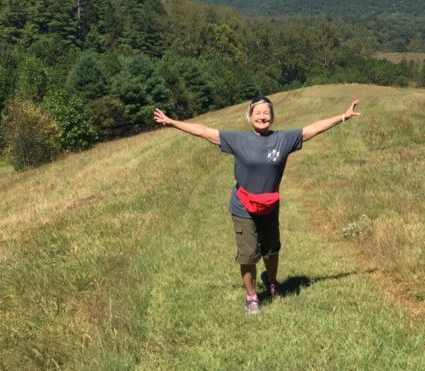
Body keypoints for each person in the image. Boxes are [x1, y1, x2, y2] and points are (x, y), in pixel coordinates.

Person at [153, 95, 360, 314]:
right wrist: (174, 123)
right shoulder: (238, 140)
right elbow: (204, 131)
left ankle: (272, 281)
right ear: (250, 116)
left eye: (266, 113)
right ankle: (252, 297)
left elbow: (313, 129)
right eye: (258, 113)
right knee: (248, 254)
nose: (262, 116)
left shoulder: (284, 139)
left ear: (272, 117)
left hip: (269, 205)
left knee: (271, 250)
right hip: (243, 206)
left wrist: (343, 117)